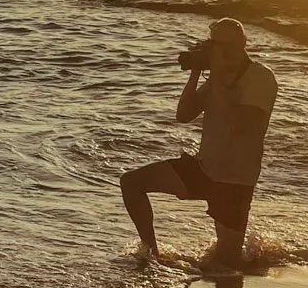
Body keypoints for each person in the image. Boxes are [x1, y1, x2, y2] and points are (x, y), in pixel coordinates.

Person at [119, 17, 278, 267]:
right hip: (204, 168)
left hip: (235, 180)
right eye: (215, 44)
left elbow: (238, 124)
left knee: (227, 264)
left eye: (227, 45)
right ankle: (151, 255)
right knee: (131, 182)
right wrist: (196, 72)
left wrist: (215, 76)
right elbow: (183, 115)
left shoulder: (260, 77)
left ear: (243, 44)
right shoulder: (218, 79)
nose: (221, 50)